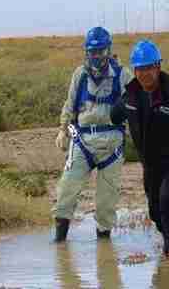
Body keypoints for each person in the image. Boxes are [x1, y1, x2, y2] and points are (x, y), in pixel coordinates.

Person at [110, 39, 169, 259]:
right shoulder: (131, 95)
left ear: (158, 67)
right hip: (150, 162)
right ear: (135, 70)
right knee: (154, 209)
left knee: (167, 197)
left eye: (149, 68)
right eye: (140, 69)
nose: (145, 74)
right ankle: (167, 237)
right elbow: (114, 116)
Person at [52, 26, 133, 242]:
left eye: (100, 51)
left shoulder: (123, 75)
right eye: (92, 52)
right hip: (82, 142)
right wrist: (62, 130)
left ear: (108, 50)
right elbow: (69, 104)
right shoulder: (79, 74)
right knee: (65, 192)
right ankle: (60, 241)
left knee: (107, 203)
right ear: (86, 52)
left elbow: (137, 107)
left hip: (112, 146)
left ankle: (104, 247)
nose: (96, 56)